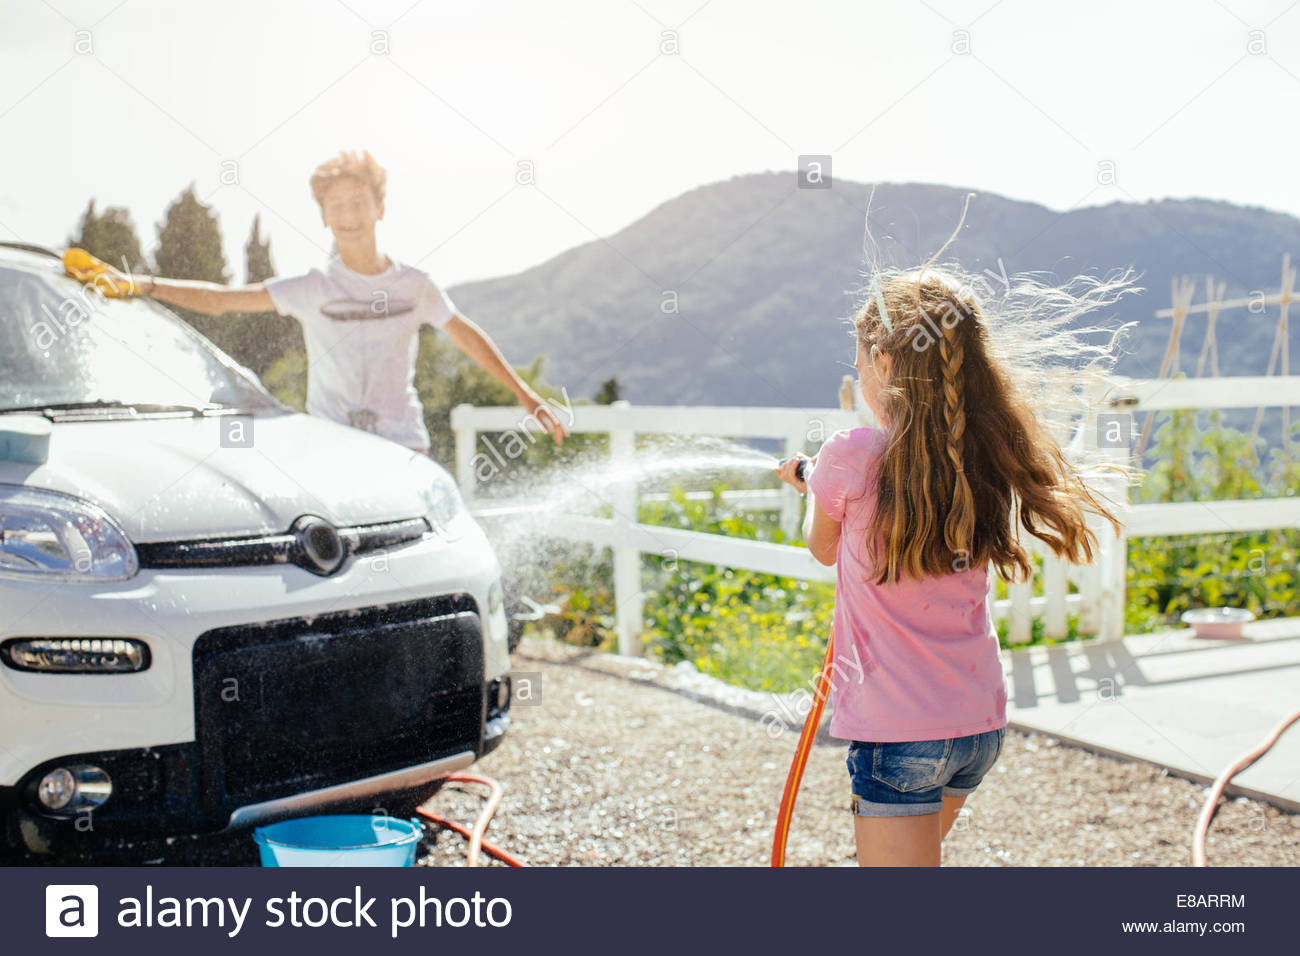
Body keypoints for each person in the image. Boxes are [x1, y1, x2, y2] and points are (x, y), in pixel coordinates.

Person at [776, 256, 1131, 867]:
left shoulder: (849, 454)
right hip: (975, 724)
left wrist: (812, 485)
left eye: (860, 361)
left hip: (898, 734)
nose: (859, 373)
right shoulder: (978, 454)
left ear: (886, 362)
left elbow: (824, 545)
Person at [65, 149, 568, 456]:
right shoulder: (311, 288)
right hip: (334, 447)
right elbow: (221, 302)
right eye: (337, 206)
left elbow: (464, 334)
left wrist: (525, 395)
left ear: (380, 207)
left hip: (405, 445)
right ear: (324, 217)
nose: (349, 214)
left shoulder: (416, 285)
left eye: (358, 202)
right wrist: (143, 284)